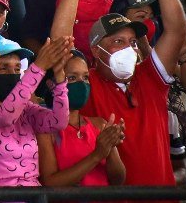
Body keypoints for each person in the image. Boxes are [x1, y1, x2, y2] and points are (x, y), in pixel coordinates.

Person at [78, 0, 186, 189]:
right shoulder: (84, 84)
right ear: (96, 51)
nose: (128, 48)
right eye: (118, 42)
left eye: (132, 42)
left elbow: (177, 30)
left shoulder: (150, 76)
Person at [0, 35, 72, 187]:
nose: (13, 74)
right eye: (3, 68)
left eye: (17, 68)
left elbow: (58, 121)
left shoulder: (26, 110)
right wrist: (39, 67)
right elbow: (5, 117)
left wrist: (60, 79)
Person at [37, 49, 127, 186]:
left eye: (85, 78)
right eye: (72, 78)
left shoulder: (100, 125)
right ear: (51, 84)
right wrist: (96, 155)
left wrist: (110, 148)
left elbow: (118, 179)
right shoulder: (45, 130)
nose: (82, 84)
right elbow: (50, 183)